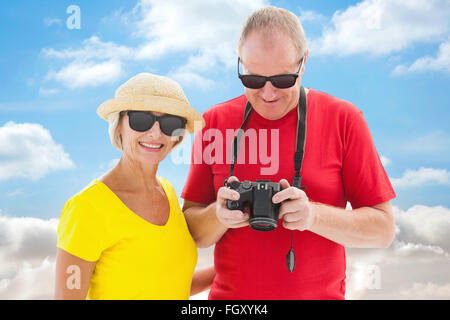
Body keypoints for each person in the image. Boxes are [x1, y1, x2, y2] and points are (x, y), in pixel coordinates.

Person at [181, 6, 396, 299]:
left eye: (283, 80)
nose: (268, 94)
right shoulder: (214, 122)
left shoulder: (344, 119)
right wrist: (218, 216)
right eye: (253, 81)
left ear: (304, 62)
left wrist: (312, 216)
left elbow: (382, 231)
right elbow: (193, 234)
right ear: (240, 64)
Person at [55, 73, 214, 299]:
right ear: (118, 125)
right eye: (141, 120)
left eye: (169, 124)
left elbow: (163, 285)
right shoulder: (87, 208)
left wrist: (226, 271)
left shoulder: (168, 193)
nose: (156, 133)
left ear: (177, 137)